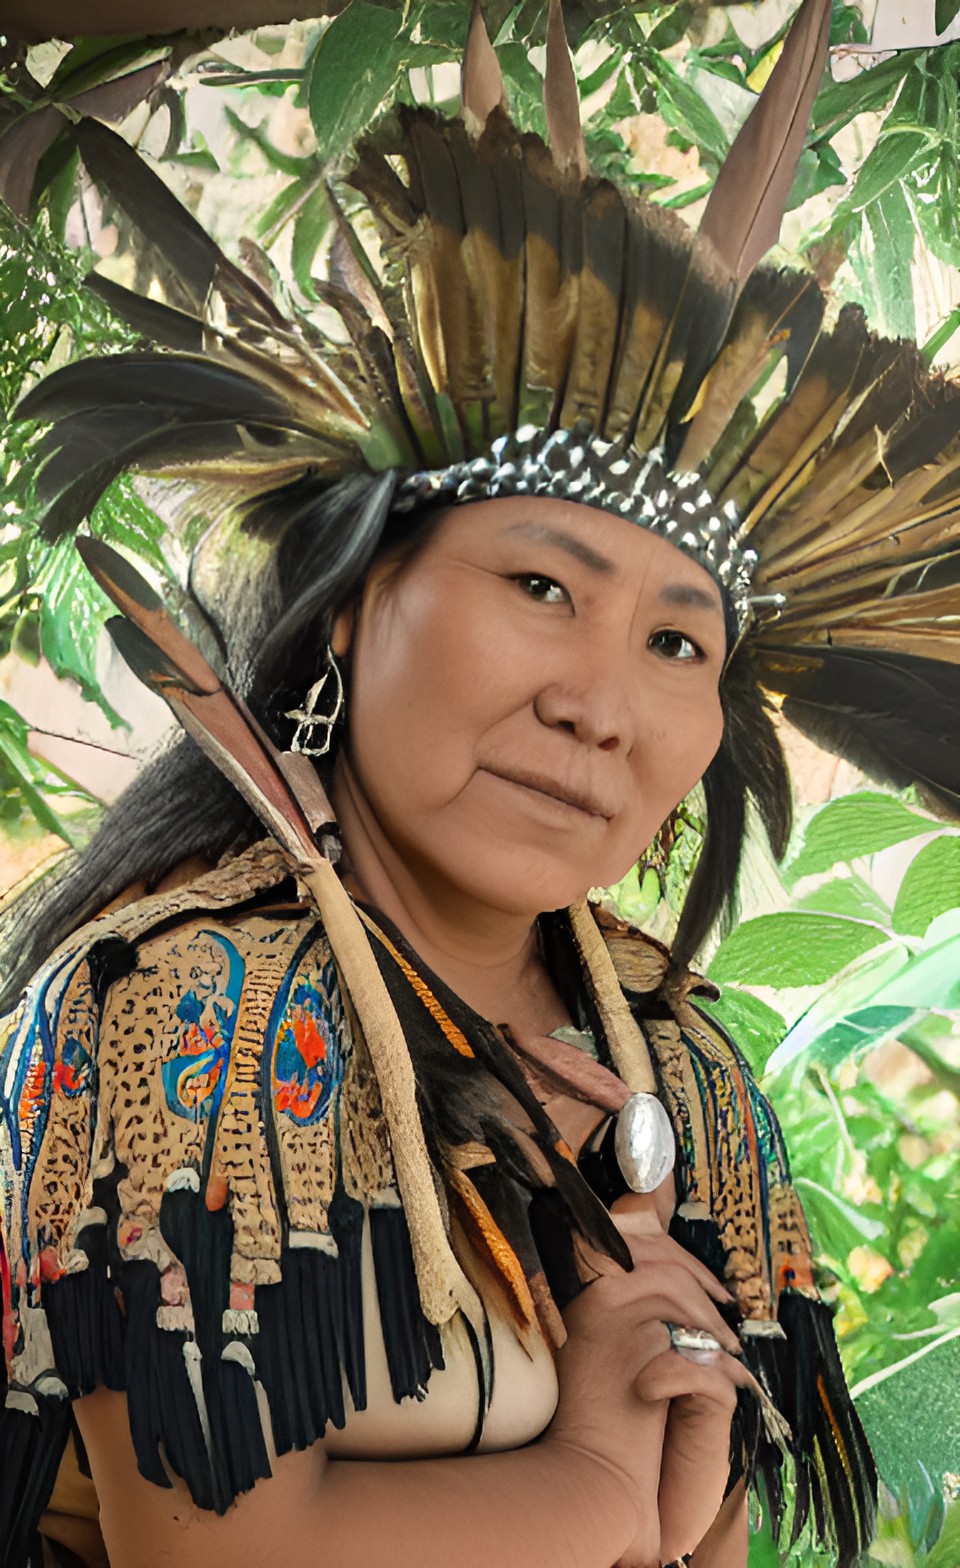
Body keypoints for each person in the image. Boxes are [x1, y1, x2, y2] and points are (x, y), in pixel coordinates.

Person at [6, 0, 960, 1562]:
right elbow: (207, 1547)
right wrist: (590, 1479)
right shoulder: (175, 1006)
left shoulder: (682, 1069)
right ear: (351, 608)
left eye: (677, 642)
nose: (600, 705)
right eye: (540, 588)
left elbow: (699, 1539)